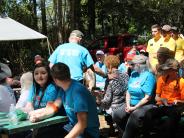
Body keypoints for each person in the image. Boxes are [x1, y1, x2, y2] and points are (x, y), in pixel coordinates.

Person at [28, 62, 100, 138]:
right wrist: (37, 115)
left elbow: (82, 124)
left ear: (54, 79)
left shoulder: (78, 92)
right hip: (71, 128)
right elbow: (54, 107)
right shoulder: (63, 89)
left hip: (87, 133)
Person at [144, 58, 184, 138]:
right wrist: (162, 99)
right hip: (162, 105)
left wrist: (177, 101)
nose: (165, 71)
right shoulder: (161, 79)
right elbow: (156, 97)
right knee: (148, 114)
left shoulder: (181, 82)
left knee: (170, 120)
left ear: (173, 70)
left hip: (175, 107)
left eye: (167, 70)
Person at [120, 55, 156, 138]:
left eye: (133, 64)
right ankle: (128, 134)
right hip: (131, 104)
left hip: (146, 105)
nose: (130, 66)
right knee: (116, 113)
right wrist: (128, 105)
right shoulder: (133, 74)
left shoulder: (149, 76)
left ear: (139, 65)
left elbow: (148, 97)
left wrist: (134, 108)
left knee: (134, 115)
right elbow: (128, 91)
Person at [96, 55, 129, 133]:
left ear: (109, 66)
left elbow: (107, 101)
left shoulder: (110, 79)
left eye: (106, 66)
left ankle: (111, 128)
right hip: (127, 105)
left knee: (102, 107)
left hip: (115, 109)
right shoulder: (126, 75)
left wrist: (98, 99)